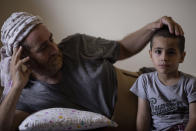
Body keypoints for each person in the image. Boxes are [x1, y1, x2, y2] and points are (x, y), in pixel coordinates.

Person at [0, 12, 183, 130]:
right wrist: (16, 87)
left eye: (51, 39)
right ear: (23, 57)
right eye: (42, 47)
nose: (54, 49)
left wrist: (153, 26)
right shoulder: (24, 97)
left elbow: (123, 48)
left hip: (164, 94)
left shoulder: (76, 45)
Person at [130, 26, 196, 131]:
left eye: (171, 52)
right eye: (158, 51)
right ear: (151, 54)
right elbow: (143, 117)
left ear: (182, 57)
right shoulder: (144, 81)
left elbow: (194, 119)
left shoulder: (191, 83)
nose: (164, 58)